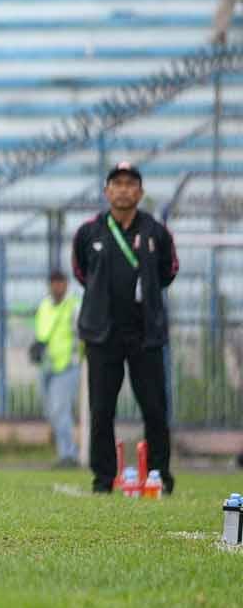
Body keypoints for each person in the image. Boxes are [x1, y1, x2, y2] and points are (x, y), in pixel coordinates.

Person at [71, 162, 179, 496]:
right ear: (107, 191)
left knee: (155, 410)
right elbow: (81, 271)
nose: (123, 189)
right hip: (103, 335)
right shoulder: (89, 232)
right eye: (117, 183)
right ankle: (103, 479)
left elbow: (168, 271)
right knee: (101, 410)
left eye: (130, 184)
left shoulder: (156, 232)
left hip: (146, 335)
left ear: (140, 192)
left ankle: (159, 476)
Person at [32, 270, 80, 467]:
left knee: (60, 409)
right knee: (52, 411)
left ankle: (69, 454)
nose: (57, 287)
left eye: (60, 283)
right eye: (54, 283)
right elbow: (41, 331)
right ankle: (66, 452)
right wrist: (37, 346)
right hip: (47, 366)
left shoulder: (73, 306)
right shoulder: (44, 306)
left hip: (66, 366)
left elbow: (80, 333)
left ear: (66, 284)